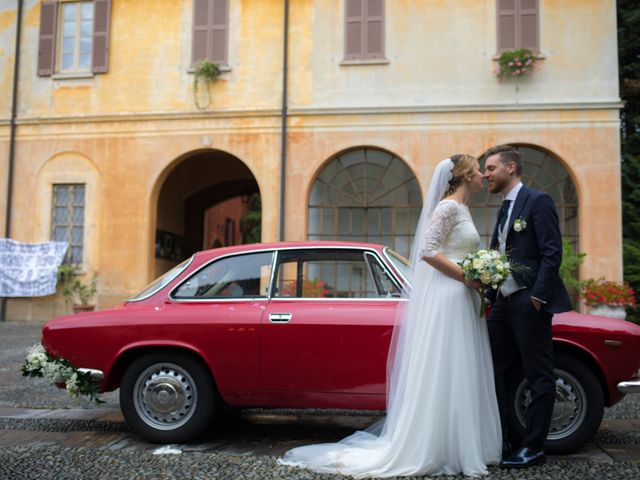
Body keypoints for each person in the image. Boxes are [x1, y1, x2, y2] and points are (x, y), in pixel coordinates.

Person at [278, 155, 501, 477]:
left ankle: (464, 443)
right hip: (449, 295)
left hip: (463, 297)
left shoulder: (463, 208)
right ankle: (437, 446)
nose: (483, 174)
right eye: (479, 169)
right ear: (466, 175)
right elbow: (426, 250)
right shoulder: (448, 207)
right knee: (447, 366)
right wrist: (466, 277)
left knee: (462, 367)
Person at [483, 145, 571, 469]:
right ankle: (503, 440)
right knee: (491, 369)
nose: (486, 174)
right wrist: (490, 297)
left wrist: (537, 297)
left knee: (538, 375)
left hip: (528, 301)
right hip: (503, 305)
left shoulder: (538, 201)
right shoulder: (502, 209)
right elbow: (499, 254)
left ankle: (533, 448)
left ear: (510, 168)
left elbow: (552, 253)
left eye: (491, 168)